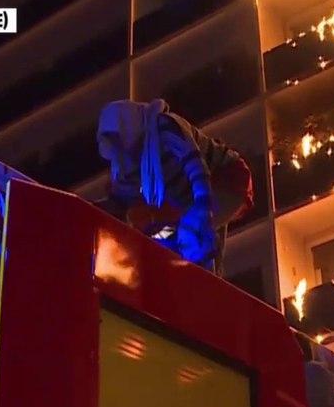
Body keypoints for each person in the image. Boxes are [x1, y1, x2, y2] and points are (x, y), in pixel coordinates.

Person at [95, 99, 254, 275]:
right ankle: (209, 278)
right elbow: (122, 201)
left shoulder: (164, 126)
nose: (119, 148)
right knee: (167, 239)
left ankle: (207, 281)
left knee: (191, 233)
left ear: (128, 125)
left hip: (227, 179)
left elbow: (196, 166)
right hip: (188, 200)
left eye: (118, 138)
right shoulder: (127, 164)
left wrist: (202, 208)